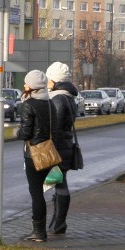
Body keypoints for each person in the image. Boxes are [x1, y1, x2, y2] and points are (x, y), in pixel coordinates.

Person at [16, 70, 55, 242]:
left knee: (36, 192)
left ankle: (39, 232)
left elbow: (25, 133)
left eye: (26, 83)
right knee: (39, 191)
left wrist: (16, 132)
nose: (24, 85)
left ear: (31, 87)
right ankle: (40, 231)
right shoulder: (49, 104)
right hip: (49, 151)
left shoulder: (28, 105)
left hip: (34, 153)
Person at [46, 61, 78, 235]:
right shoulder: (68, 96)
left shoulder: (58, 98)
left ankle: (58, 223)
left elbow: (55, 126)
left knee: (59, 183)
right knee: (59, 182)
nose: (46, 82)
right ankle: (57, 222)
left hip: (57, 147)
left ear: (55, 80)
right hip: (65, 145)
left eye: (48, 78)